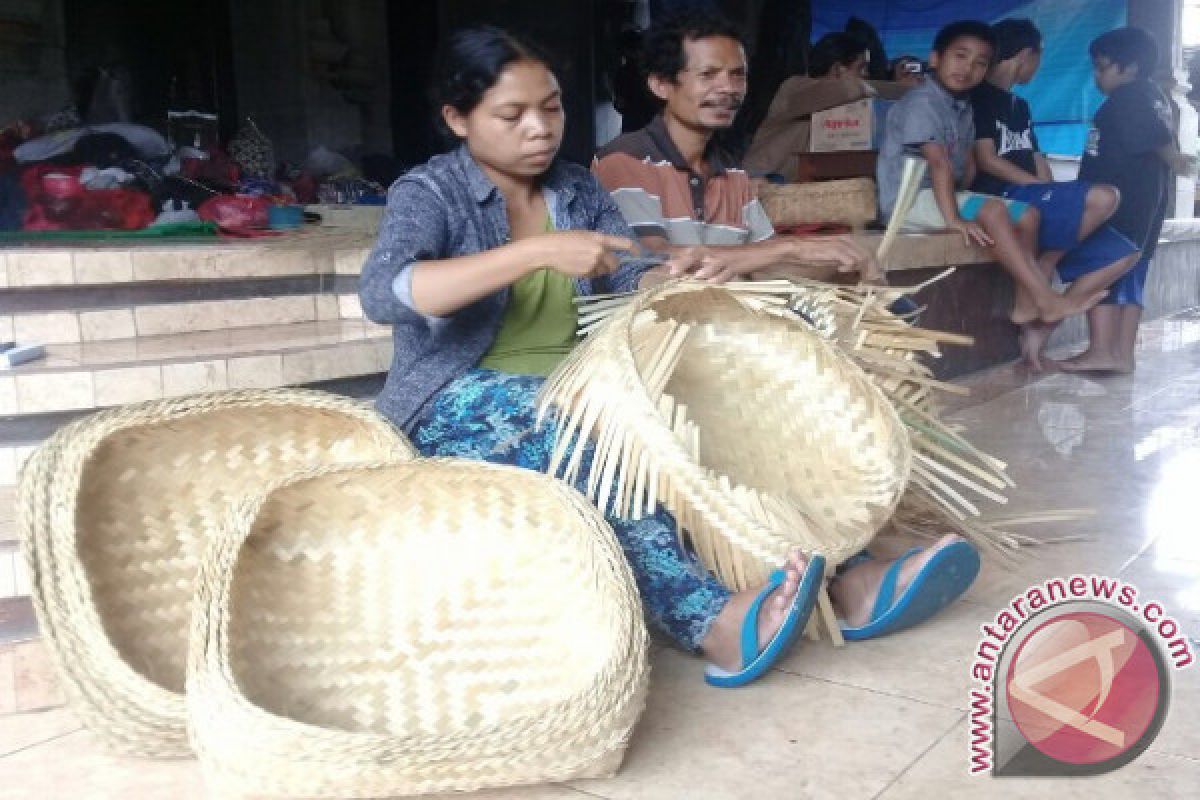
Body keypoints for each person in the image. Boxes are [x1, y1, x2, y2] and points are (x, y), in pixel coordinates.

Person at [360, 25, 977, 685]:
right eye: (512, 115)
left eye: (552, 107)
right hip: (457, 399)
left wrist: (679, 279)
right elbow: (386, 292)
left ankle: (848, 581)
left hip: (582, 381)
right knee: (598, 435)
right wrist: (533, 251)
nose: (540, 128)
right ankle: (712, 623)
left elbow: (630, 281)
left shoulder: (575, 190)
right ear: (458, 118)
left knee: (722, 412)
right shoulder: (429, 193)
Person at [593, 12, 880, 285]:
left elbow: (765, 263)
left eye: (738, 75)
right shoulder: (625, 160)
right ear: (661, 85)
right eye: (708, 74)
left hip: (725, 324)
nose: (728, 88)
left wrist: (838, 261)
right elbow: (653, 261)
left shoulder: (731, 173)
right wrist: (791, 247)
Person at [877, 19, 1107, 327]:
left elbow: (966, 164)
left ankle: (1025, 306)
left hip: (942, 197)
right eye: (960, 56)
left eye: (979, 63)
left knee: (1027, 215)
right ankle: (1045, 298)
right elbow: (939, 164)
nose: (968, 68)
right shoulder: (922, 102)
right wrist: (955, 219)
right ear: (934, 59)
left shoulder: (961, 108)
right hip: (907, 203)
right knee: (993, 209)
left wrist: (966, 199)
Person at [970, 18, 1139, 371]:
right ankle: (1043, 268)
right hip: (1003, 195)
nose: (1037, 67)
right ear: (1026, 55)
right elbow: (986, 160)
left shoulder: (1021, 106)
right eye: (1038, 59)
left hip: (1033, 195)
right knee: (1105, 197)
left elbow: (1037, 159)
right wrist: (1042, 189)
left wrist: (1053, 190)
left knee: (1123, 255)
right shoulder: (978, 97)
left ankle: (1038, 327)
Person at [1060, 27, 1195, 373]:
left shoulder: (1129, 98)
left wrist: (1175, 159)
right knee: (1131, 276)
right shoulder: (1152, 96)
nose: (1096, 76)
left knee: (1101, 270)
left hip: (1119, 205)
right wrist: (1174, 159)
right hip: (1145, 205)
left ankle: (1102, 350)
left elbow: (1155, 138)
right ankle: (1121, 355)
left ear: (1130, 67)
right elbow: (1159, 136)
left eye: (1102, 67)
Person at [745, 33, 873, 181]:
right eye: (861, 68)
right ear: (837, 69)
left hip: (795, 194)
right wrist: (879, 90)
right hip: (758, 187)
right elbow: (850, 88)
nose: (866, 75)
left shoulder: (840, 107)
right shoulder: (794, 88)